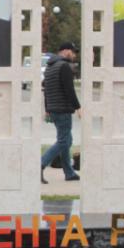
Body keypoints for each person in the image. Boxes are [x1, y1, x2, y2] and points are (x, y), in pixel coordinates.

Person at [40, 42, 81, 184]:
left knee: (66, 140)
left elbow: (46, 89)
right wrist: (78, 107)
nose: (74, 55)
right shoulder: (64, 66)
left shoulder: (50, 67)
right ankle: (40, 163)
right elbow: (69, 90)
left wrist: (47, 108)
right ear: (65, 51)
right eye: (72, 52)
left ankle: (69, 173)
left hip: (54, 109)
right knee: (64, 141)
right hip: (63, 109)